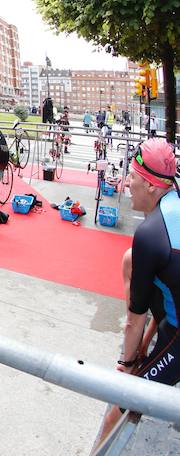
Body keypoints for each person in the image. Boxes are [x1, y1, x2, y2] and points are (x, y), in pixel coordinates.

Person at [94, 138, 180, 449]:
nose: (126, 183)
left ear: (153, 187)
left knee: (123, 403)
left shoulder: (151, 234)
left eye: (133, 177)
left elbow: (135, 318)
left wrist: (127, 365)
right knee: (131, 259)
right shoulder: (175, 202)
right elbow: (166, 294)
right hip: (173, 322)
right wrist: (145, 349)